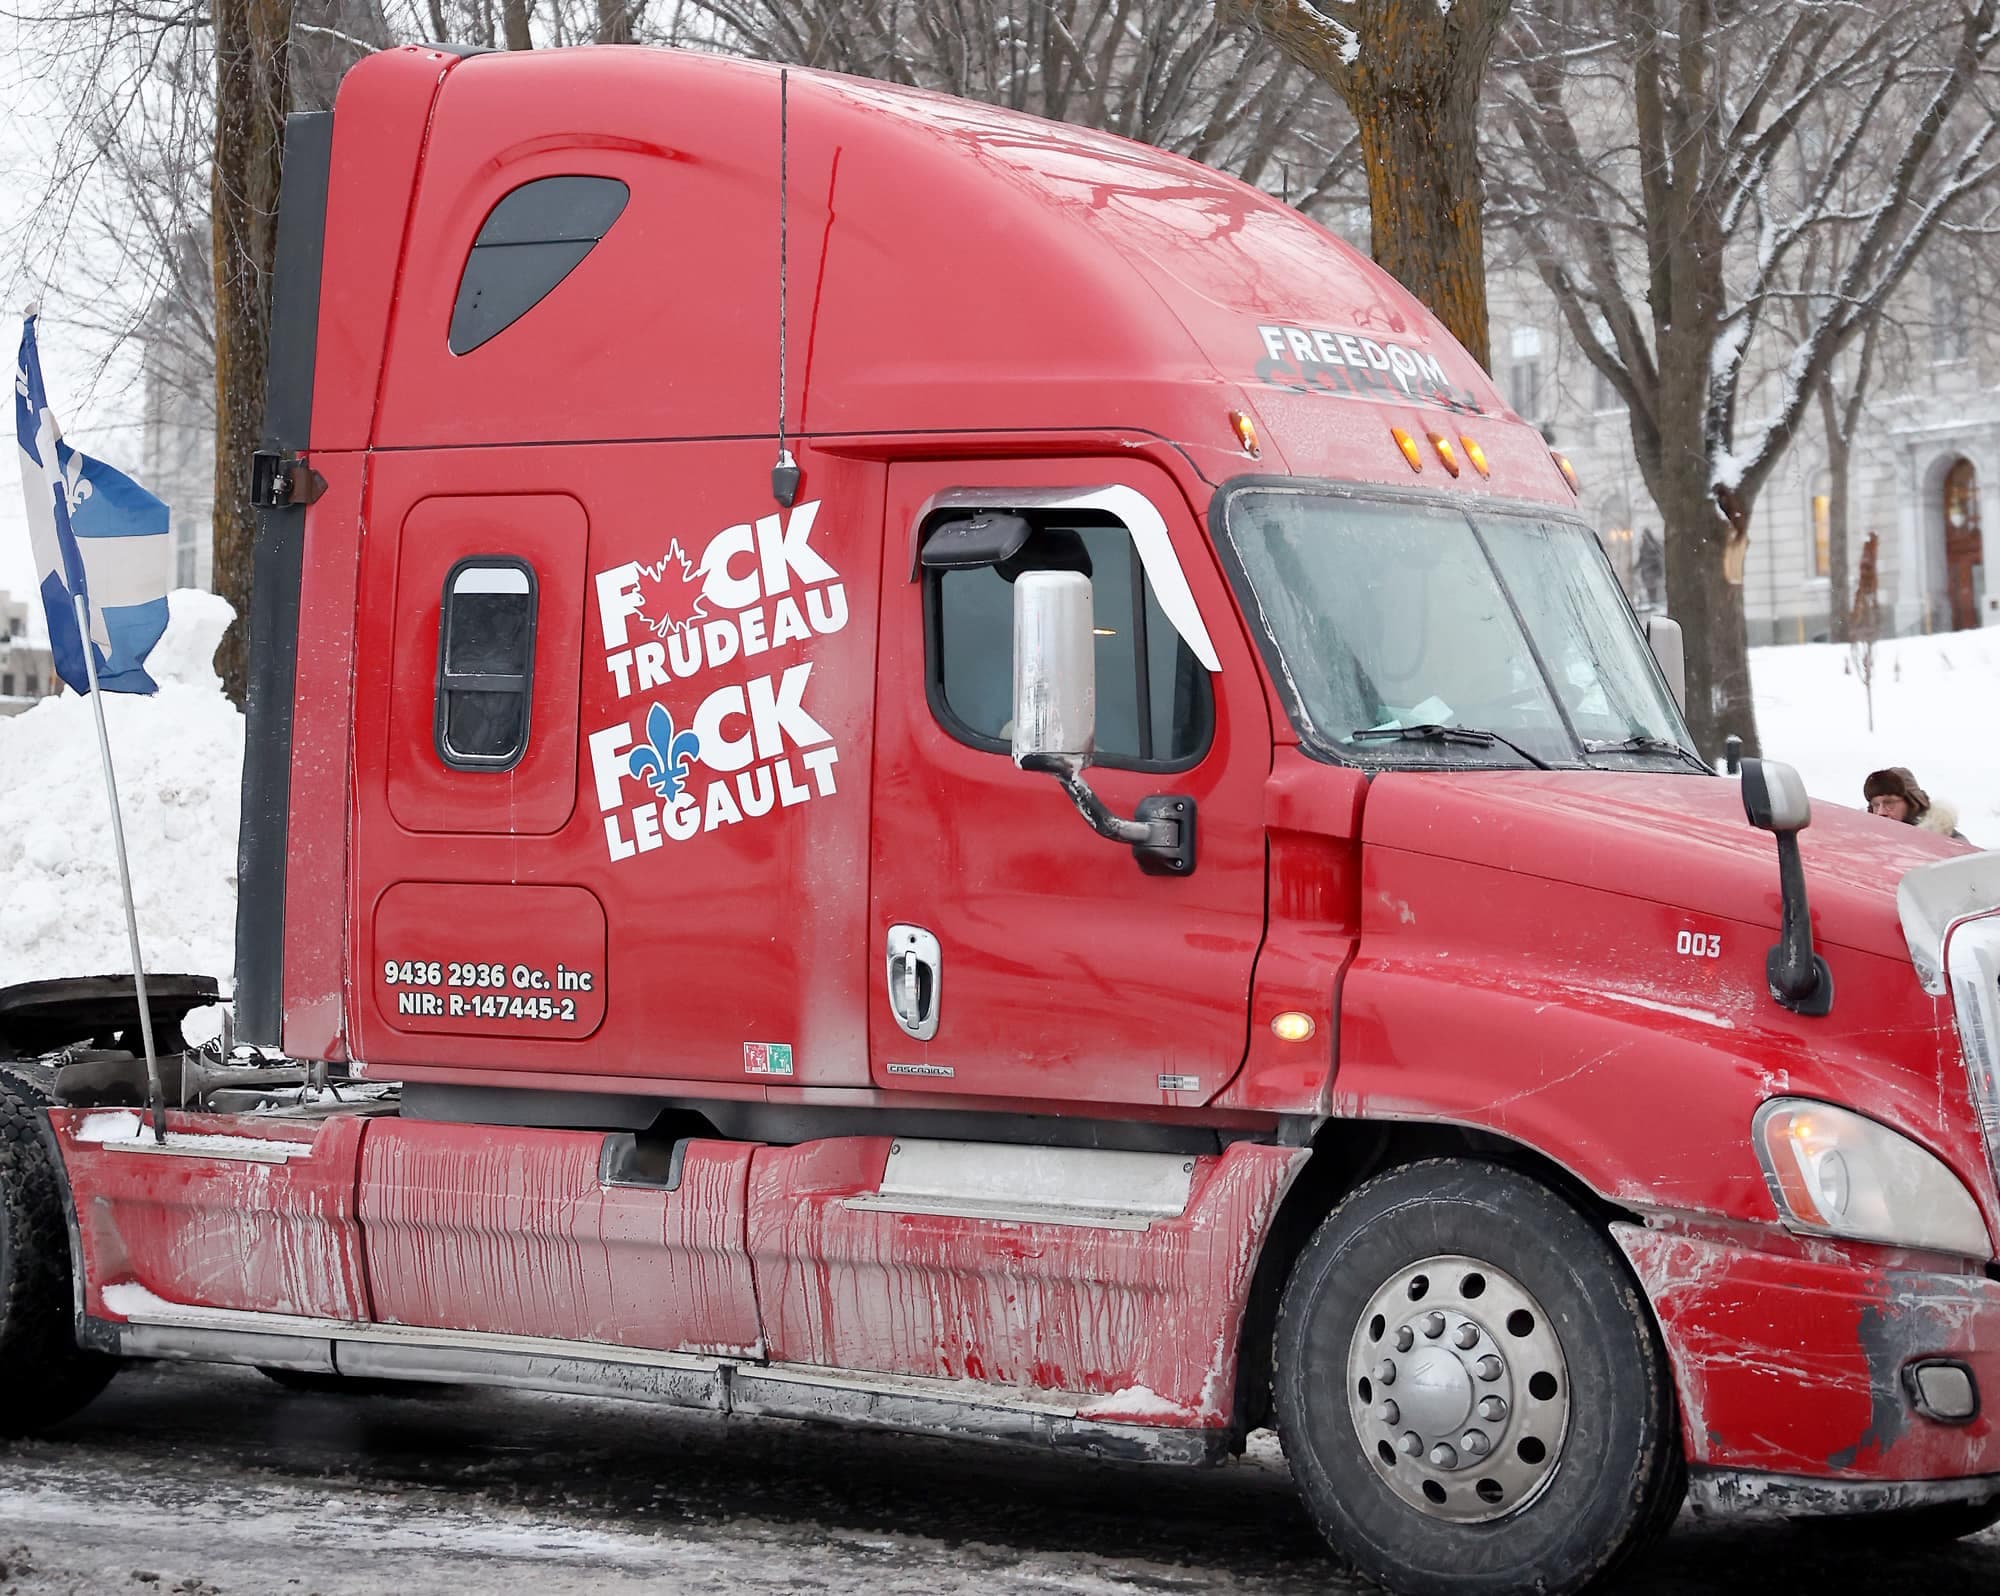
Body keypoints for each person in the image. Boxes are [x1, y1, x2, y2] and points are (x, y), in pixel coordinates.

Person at [1862, 767, 1966, 841]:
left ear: (1912, 803)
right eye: (1875, 805)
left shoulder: (1954, 846)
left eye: (1889, 803)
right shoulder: (1863, 845)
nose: (1881, 812)